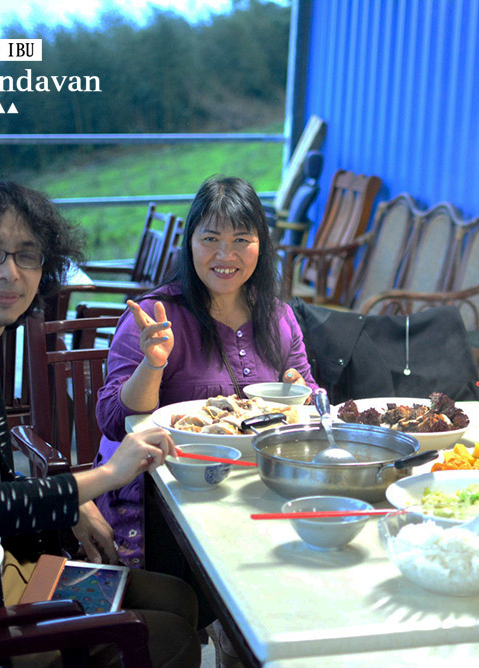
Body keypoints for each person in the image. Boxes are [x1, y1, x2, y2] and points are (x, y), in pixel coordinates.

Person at [0, 178, 201, 667]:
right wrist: (104, 478)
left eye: (27, 255)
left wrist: (69, 503)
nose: (10, 272)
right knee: (165, 635)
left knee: (177, 598)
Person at [95, 175, 319, 567]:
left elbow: (315, 404)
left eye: (241, 240)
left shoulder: (279, 316)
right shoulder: (155, 318)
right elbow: (115, 421)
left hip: (251, 490)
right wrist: (153, 363)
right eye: (211, 239)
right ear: (190, 242)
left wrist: (300, 394)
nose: (225, 255)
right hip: (160, 499)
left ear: (261, 246)